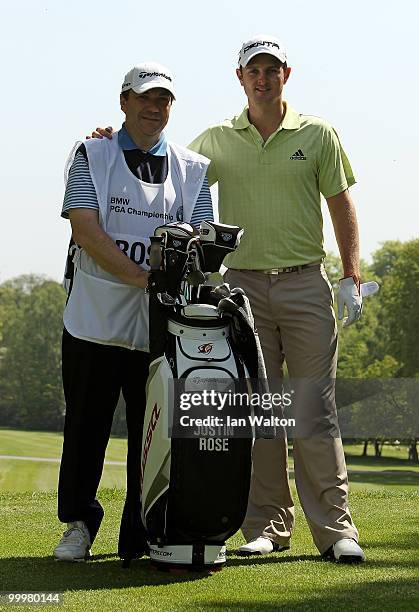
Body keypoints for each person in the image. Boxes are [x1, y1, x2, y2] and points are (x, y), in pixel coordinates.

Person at [91, 36, 365, 563]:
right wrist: (113, 141)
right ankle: (266, 526)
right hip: (240, 291)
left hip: (307, 281)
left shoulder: (318, 133)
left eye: (270, 69)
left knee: (313, 408)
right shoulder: (215, 139)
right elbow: (164, 166)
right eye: (252, 71)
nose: (262, 79)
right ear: (239, 78)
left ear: (286, 73)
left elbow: (341, 200)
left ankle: (335, 530)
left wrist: (351, 273)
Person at [54, 62, 214, 562]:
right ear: (123, 101)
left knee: (154, 437)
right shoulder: (92, 153)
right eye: (145, 98)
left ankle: (142, 531)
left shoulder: (193, 168)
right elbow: (85, 229)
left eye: (163, 100)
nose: (154, 107)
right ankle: (79, 524)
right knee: (85, 429)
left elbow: (203, 243)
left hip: (159, 328)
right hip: (94, 319)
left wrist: (200, 263)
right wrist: (145, 279)